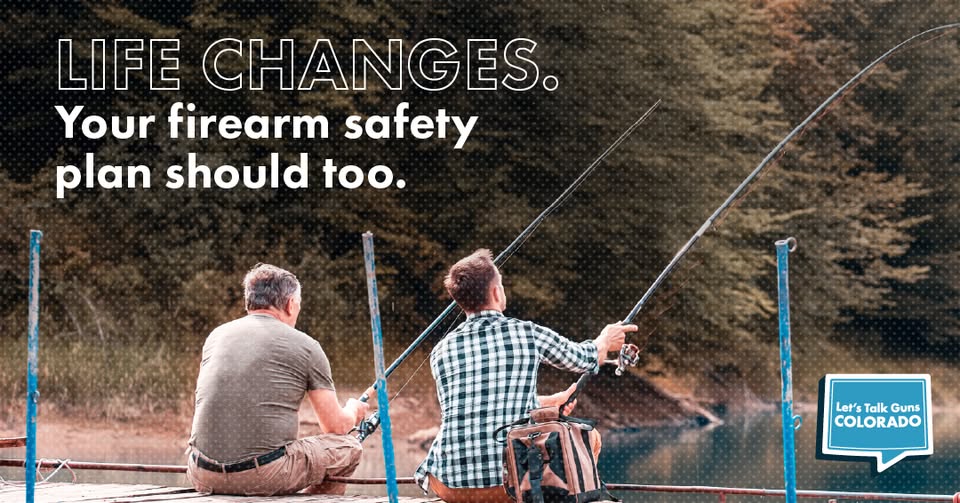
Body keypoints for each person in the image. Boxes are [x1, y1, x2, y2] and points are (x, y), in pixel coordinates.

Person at [414, 249, 637, 503]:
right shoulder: (526, 333)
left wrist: (550, 401)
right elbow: (585, 358)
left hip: (450, 485)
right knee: (590, 437)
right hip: (510, 486)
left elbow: (476, 405)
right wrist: (606, 338)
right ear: (496, 292)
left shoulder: (440, 350)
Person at [186, 263, 371, 496]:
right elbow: (335, 427)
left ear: (249, 302)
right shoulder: (307, 346)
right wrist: (354, 409)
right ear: (290, 304)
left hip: (201, 472)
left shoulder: (217, 336)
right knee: (348, 448)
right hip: (261, 476)